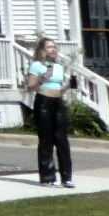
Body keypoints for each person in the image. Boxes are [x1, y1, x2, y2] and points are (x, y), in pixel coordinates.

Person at [23, 38, 75, 188]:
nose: (53, 50)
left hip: (58, 102)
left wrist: (68, 86)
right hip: (44, 102)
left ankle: (67, 177)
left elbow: (59, 88)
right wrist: (42, 78)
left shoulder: (59, 67)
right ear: (42, 50)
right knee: (46, 140)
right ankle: (47, 177)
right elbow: (30, 87)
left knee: (62, 139)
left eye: (55, 47)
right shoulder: (37, 65)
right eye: (50, 47)